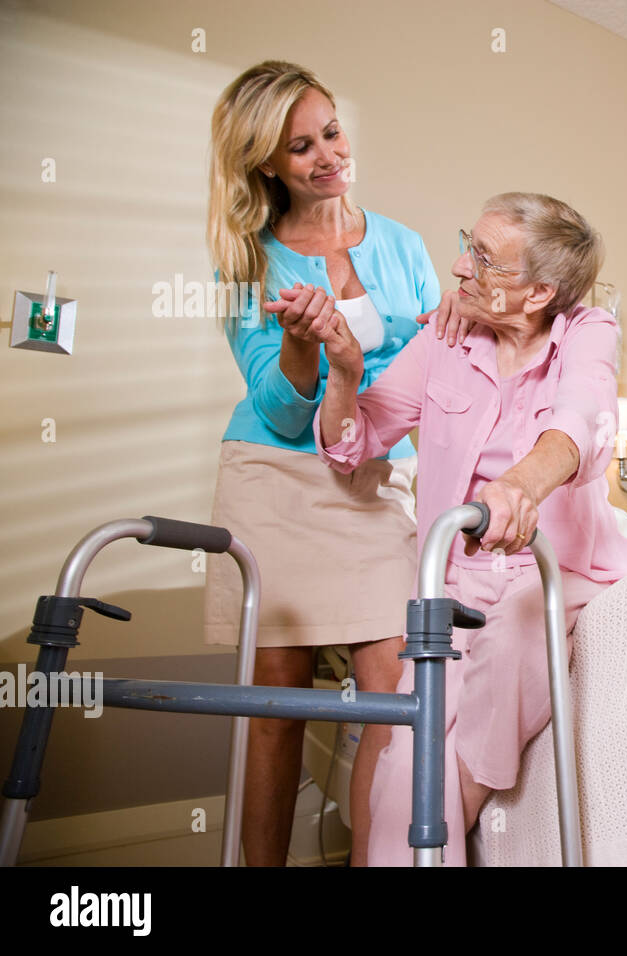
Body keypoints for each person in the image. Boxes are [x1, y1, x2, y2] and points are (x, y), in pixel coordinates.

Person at [310, 192, 627, 865]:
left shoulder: (589, 330)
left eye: (484, 260)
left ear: (540, 291)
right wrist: (344, 375)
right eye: (469, 244)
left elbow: (586, 417)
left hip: (563, 571)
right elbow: (354, 442)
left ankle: (455, 805)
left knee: (516, 634)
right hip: (456, 585)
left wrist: (522, 484)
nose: (459, 267)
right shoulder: (446, 337)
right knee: (403, 766)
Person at [201, 60, 470, 866]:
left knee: (399, 696)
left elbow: (436, 368)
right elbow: (282, 408)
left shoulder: (402, 244)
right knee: (276, 709)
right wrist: (298, 346)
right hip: (275, 481)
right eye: (299, 147)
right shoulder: (247, 259)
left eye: (332, 132)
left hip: (375, 476)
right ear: (266, 164)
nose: (327, 155)